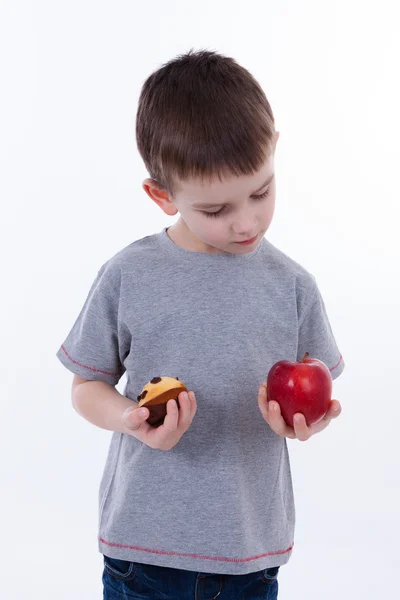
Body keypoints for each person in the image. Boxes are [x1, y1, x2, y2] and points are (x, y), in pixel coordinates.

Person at [56, 49, 345, 600]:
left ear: (274, 153)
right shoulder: (129, 274)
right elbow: (85, 387)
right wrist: (129, 417)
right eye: (215, 210)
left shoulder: (293, 286)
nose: (247, 221)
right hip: (141, 553)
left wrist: (305, 423)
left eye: (261, 191)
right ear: (161, 195)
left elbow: (315, 384)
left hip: (251, 556)